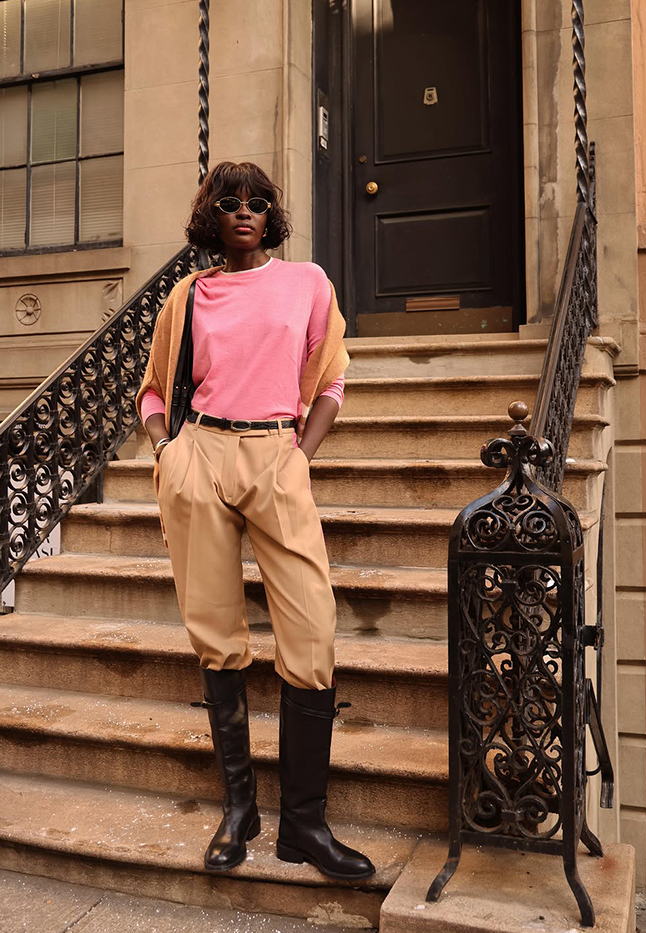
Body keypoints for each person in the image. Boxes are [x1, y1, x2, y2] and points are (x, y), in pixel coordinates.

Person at [135, 161, 374, 881]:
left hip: (276, 452)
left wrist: (300, 453)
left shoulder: (307, 283)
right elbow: (152, 389)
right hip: (199, 453)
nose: (246, 211)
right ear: (213, 214)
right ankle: (241, 812)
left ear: (273, 215)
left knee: (312, 626)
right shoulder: (188, 295)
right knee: (215, 630)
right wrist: (166, 449)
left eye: (259, 202)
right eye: (231, 202)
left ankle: (305, 822)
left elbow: (331, 377)